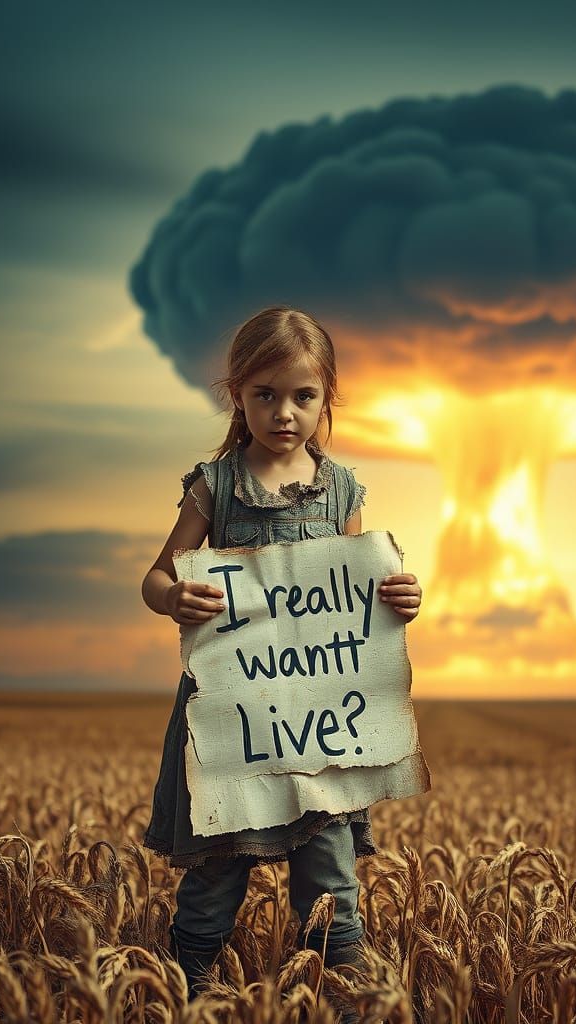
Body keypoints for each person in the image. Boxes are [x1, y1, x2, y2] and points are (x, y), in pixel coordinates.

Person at [140, 305, 423, 1007]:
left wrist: (399, 598)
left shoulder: (343, 492)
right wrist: (175, 598)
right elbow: (155, 576)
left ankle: (343, 994)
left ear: (328, 397)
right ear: (237, 394)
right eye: (265, 394)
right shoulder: (217, 485)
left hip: (320, 724)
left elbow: (359, 602)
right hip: (235, 718)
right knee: (218, 871)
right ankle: (186, 986)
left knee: (330, 877)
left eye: (303, 396)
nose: (285, 413)